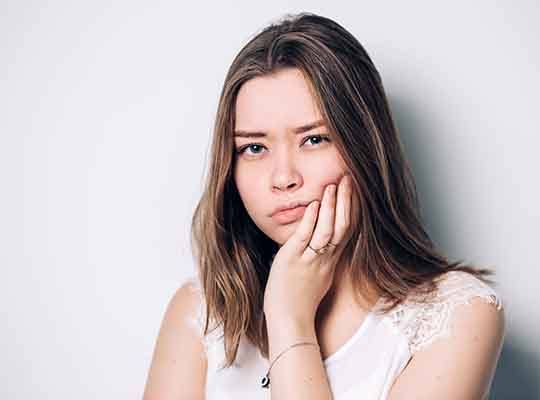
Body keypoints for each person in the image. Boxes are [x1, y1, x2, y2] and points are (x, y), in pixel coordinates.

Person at [143, 12, 506, 400]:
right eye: (253, 148)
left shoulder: (460, 314)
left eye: (314, 140)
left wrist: (289, 319)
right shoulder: (198, 314)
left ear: (365, 146)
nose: (283, 178)